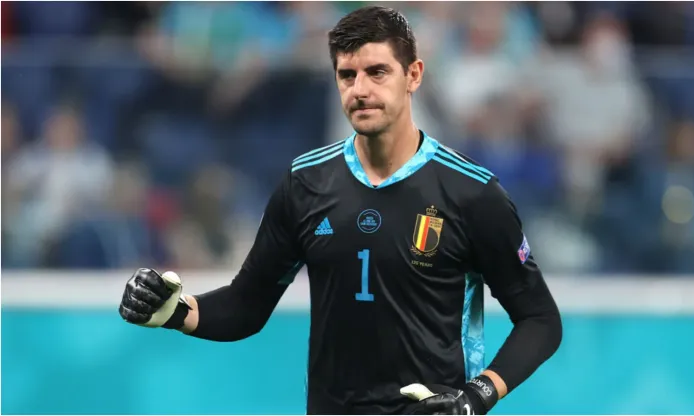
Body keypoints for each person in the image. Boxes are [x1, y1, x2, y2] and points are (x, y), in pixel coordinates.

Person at [119, 6, 562, 415]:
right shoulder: (305, 184)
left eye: (377, 72)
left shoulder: (471, 193)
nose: (360, 89)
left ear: (414, 75)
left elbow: (541, 320)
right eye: (347, 75)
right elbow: (246, 306)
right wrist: (176, 312)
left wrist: (475, 396)